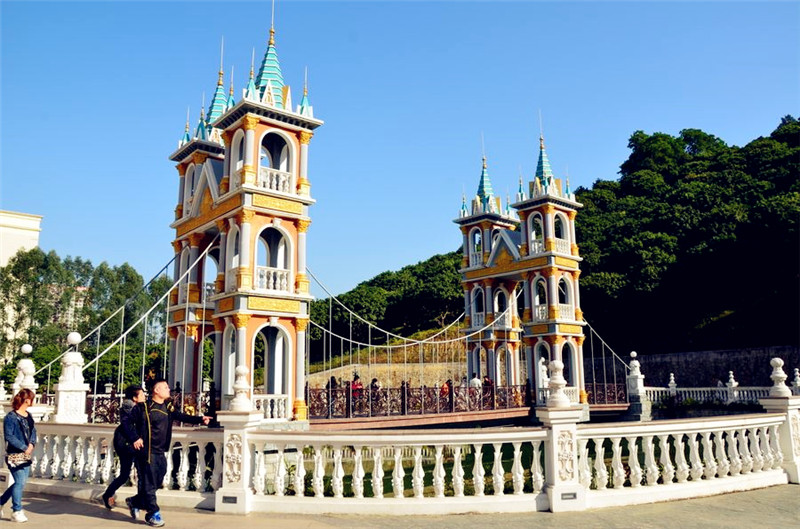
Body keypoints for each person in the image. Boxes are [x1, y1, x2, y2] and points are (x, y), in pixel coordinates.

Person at [125, 379, 211, 527]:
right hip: (147, 452)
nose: (168, 389)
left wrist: (200, 419)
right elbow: (126, 422)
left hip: (160, 451)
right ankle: (153, 514)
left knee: (158, 479)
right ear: (156, 390)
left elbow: (181, 416)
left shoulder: (167, 406)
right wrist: (135, 438)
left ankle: (135, 501)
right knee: (149, 484)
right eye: (165, 387)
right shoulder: (144, 407)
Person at [102, 384, 145, 509]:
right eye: (141, 394)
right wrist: (135, 438)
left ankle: (139, 501)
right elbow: (127, 425)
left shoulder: (138, 407)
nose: (144, 396)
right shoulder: (129, 407)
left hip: (133, 443)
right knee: (126, 474)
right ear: (134, 397)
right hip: (126, 444)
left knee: (138, 473)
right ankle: (109, 495)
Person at [1, 389, 37, 523]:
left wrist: (32, 444)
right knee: (20, 482)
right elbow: (9, 436)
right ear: (26, 400)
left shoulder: (29, 415)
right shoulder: (11, 417)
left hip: (26, 454)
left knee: (19, 483)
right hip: (14, 455)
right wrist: (24, 447)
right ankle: (16, 511)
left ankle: (1, 502)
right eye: (31, 398)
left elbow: (33, 430)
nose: (32, 401)